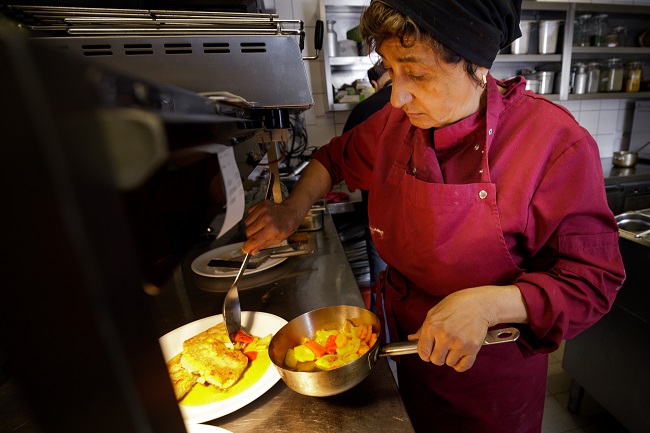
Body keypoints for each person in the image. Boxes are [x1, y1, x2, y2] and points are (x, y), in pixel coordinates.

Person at [243, 1, 625, 432]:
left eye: (418, 74)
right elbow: (334, 159)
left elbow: (593, 281)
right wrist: (291, 210)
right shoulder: (395, 124)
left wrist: (490, 304)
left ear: (477, 64)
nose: (397, 97)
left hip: (492, 373)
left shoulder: (553, 142)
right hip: (411, 352)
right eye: (391, 71)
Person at [343, 61, 392, 291]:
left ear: (375, 83)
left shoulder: (363, 110)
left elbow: (346, 164)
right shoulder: (422, 103)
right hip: (420, 221)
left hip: (378, 218)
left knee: (381, 285)